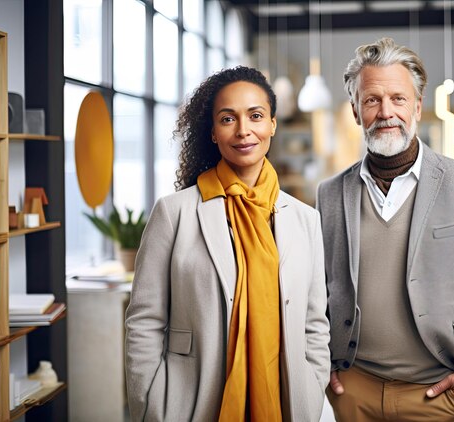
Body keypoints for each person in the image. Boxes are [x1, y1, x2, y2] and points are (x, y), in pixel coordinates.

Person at [317, 37, 454, 421]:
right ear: (354, 110)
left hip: (439, 393)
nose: (386, 112)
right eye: (371, 100)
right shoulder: (329, 194)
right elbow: (316, 292)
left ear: (417, 106)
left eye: (398, 99)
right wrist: (322, 362)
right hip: (354, 390)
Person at [125, 66, 330, 422]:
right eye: (227, 118)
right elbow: (145, 321)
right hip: (193, 402)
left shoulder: (304, 220)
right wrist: (152, 405)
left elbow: (315, 323)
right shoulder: (174, 213)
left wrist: (312, 387)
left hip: (285, 403)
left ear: (273, 125)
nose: (243, 130)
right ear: (213, 132)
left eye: (255, 116)